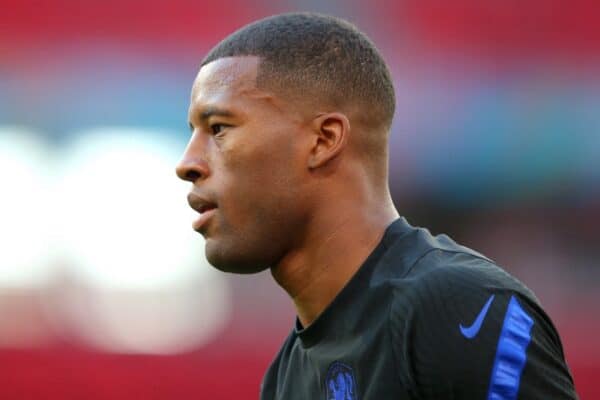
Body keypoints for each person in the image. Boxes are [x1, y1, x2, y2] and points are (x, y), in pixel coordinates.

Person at [175, 12, 578, 400]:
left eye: (219, 128)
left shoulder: (459, 309)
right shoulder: (285, 376)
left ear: (323, 140)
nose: (187, 163)